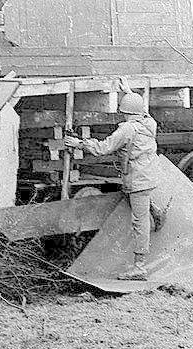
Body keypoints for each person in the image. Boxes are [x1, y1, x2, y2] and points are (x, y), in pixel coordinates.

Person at [64, 91, 163, 281]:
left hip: (138, 179)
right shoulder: (150, 123)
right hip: (148, 175)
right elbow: (145, 111)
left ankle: (139, 267)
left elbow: (103, 148)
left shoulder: (127, 129)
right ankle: (156, 211)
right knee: (133, 199)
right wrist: (128, 91)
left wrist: (78, 143)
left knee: (139, 221)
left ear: (124, 111)